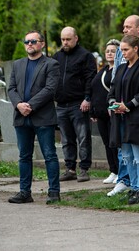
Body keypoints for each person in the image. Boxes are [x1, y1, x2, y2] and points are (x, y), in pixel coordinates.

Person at [107, 14, 139, 197]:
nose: (123, 53)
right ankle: (133, 186)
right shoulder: (120, 68)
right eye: (121, 50)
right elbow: (113, 89)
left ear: (136, 49)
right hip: (120, 118)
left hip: (137, 117)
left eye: (126, 50)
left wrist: (127, 105)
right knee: (127, 155)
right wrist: (113, 104)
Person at [7, 30, 61, 204]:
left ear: (42, 44)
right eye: (27, 41)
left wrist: (29, 105)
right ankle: (24, 193)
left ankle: (53, 192)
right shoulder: (17, 64)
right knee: (24, 156)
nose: (29, 44)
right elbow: (11, 88)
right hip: (21, 117)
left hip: (43, 117)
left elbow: (50, 89)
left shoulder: (51, 64)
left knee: (49, 155)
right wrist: (18, 105)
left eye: (33, 41)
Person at [53, 26, 96, 182]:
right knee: (66, 139)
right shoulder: (56, 57)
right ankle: (70, 169)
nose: (65, 42)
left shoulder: (86, 56)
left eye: (68, 39)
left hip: (79, 103)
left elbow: (90, 79)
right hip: (61, 105)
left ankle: (84, 169)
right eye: (63, 39)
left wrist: (87, 98)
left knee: (83, 137)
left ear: (76, 38)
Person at [90, 39, 120, 184]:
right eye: (107, 51)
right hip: (101, 113)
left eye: (113, 51)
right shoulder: (103, 70)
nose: (109, 53)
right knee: (107, 143)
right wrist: (93, 111)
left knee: (115, 143)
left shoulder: (119, 70)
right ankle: (113, 170)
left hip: (113, 113)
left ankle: (120, 171)